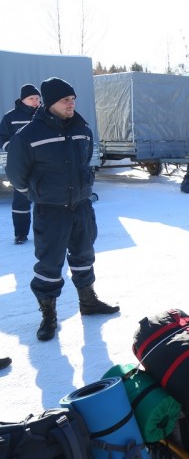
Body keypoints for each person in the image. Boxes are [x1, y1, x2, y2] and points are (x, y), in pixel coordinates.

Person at [6, 78, 119, 342]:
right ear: (49, 103)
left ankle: (88, 302)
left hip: (81, 207)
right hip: (51, 210)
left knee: (84, 255)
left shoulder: (82, 129)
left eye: (72, 99)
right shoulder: (28, 136)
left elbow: (87, 160)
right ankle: (48, 315)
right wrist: (38, 194)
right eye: (65, 100)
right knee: (48, 264)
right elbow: (16, 174)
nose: (71, 104)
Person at [0, 84, 41, 244]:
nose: (35, 101)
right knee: (21, 201)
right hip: (20, 166)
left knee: (45, 201)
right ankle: (21, 234)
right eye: (31, 98)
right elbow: (1, 138)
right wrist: (13, 148)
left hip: (42, 165)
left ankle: (45, 233)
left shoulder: (45, 115)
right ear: (23, 99)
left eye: (37, 98)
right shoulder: (10, 117)